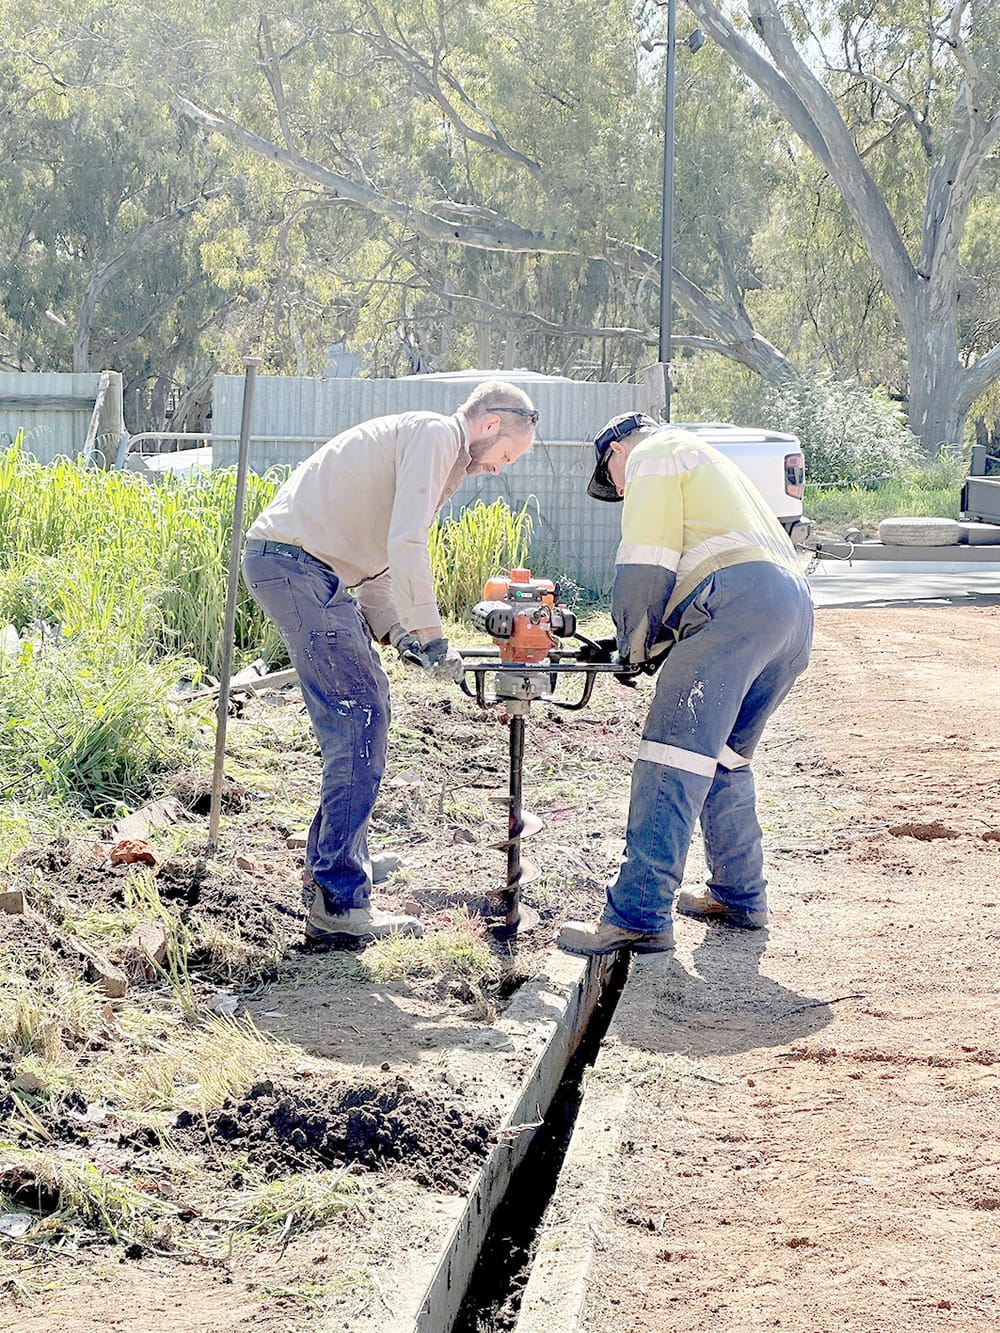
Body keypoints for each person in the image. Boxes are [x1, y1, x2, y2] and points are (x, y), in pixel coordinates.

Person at [242, 381, 538, 949]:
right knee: (358, 716)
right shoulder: (435, 434)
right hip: (294, 566)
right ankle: (339, 899)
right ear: (491, 424)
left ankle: (338, 861)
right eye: (506, 456)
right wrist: (432, 634)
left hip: (303, 567)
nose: (500, 469)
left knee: (365, 703)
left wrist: (398, 632)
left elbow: (378, 565)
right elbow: (406, 544)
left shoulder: (437, 454)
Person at [558, 412, 813, 956]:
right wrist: (651, 643)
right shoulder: (714, 464)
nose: (621, 491)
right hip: (791, 610)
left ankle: (640, 914)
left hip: (738, 605)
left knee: (670, 756)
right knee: (723, 757)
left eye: (614, 479)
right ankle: (741, 896)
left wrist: (631, 643)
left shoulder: (655, 452)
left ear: (617, 450)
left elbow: (647, 560)